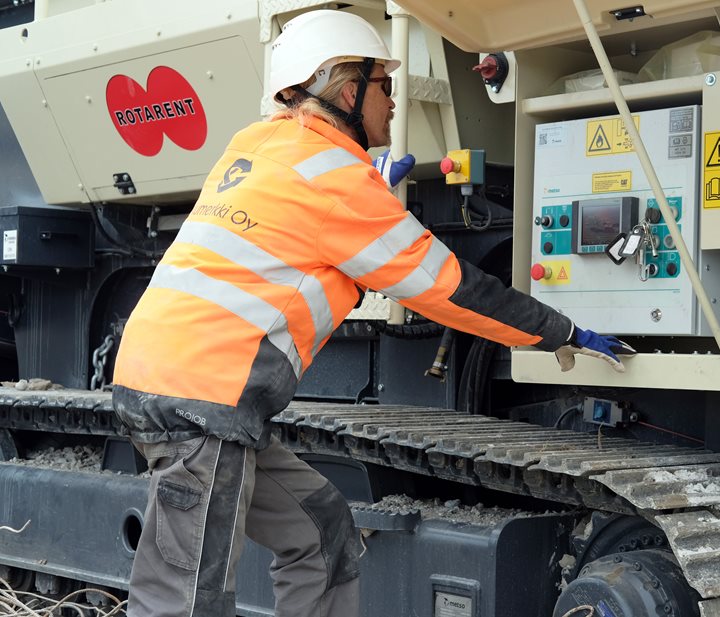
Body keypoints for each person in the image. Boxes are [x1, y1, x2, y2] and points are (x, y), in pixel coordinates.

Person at [111, 9, 635, 617]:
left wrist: (366, 193)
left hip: (166, 378)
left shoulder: (258, 144)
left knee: (320, 531)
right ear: (343, 86)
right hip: (203, 402)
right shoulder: (337, 180)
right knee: (182, 601)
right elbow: (449, 289)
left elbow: (296, 232)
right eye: (383, 83)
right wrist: (558, 330)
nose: (393, 99)